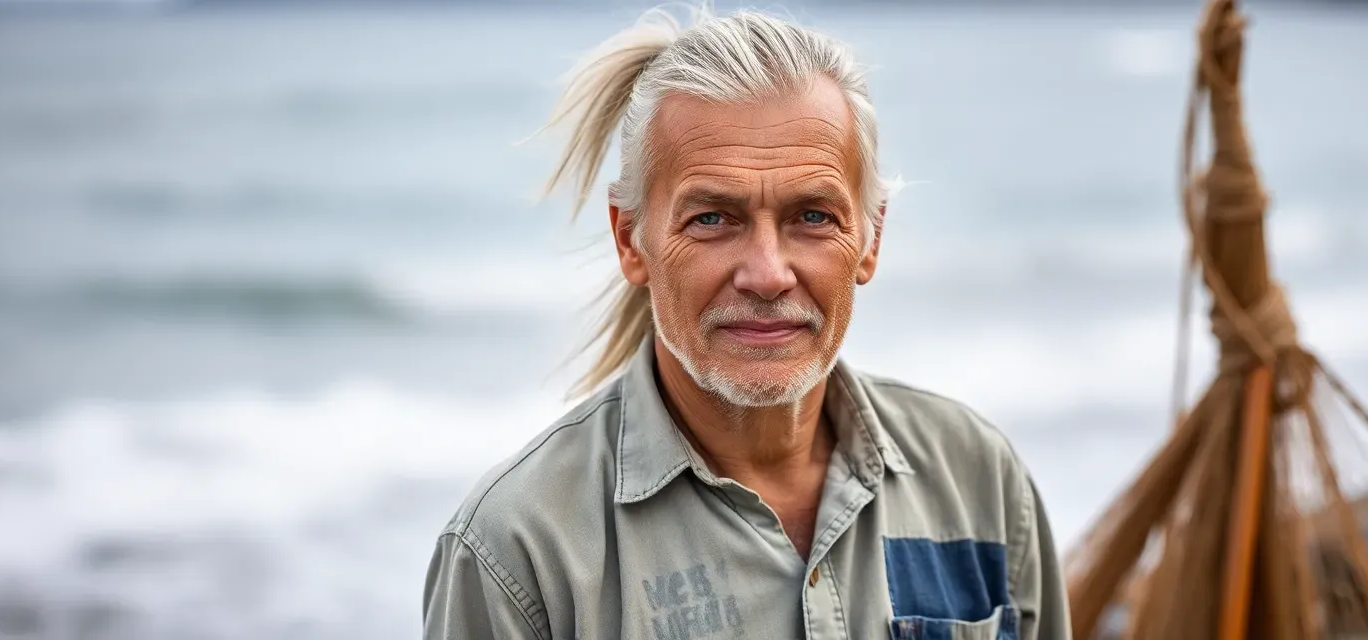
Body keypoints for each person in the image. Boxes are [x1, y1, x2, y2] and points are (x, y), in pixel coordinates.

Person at [423, 5, 1070, 639]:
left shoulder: (976, 477)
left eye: (813, 216)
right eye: (712, 218)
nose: (767, 274)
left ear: (871, 239)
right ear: (630, 240)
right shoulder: (519, 551)